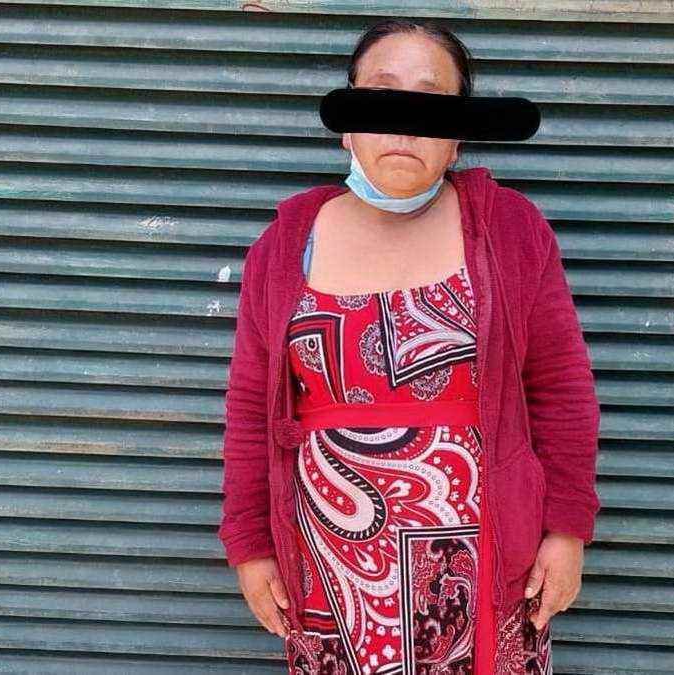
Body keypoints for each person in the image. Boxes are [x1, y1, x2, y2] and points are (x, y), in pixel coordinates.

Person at [218, 18, 601, 674]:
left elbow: (561, 390)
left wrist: (567, 531)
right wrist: (250, 545)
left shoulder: (509, 230)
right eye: (381, 96)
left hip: (487, 560)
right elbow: (252, 408)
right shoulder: (284, 245)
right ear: (347, 125)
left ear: (456, 138)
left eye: (428, 104)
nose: (402, 125)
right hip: (328, 566)